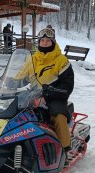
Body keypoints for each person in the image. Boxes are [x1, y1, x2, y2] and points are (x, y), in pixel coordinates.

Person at [15, 27, 75, 159]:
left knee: (59, 117)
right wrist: (9, 82)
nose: (45, 43)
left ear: (53, 42)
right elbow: (21, 77)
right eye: (42, 40)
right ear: (38, 42)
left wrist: (49, 93)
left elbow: (67, 85)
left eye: (48, 41)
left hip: (55, 96)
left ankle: (65, 151)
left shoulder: (61, 61)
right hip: (33, 95)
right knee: (16, 114)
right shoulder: (32, 60)